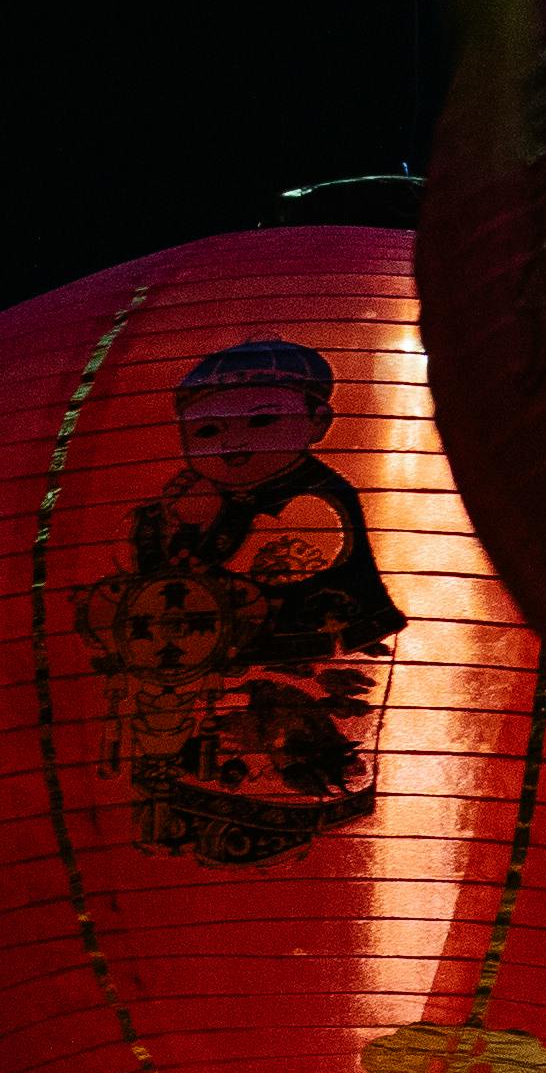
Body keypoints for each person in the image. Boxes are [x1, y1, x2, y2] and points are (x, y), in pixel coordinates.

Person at [110, 332, 402, 862]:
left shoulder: (317, 495)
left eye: (262, 421)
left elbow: (273, 557)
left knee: (295, 754)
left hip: (313, 651)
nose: (232, 443)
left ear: (317, 424)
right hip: (230, 658)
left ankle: (296, 819)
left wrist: (200, 524)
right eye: (207, 429)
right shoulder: (207, 494)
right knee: (210, 748)